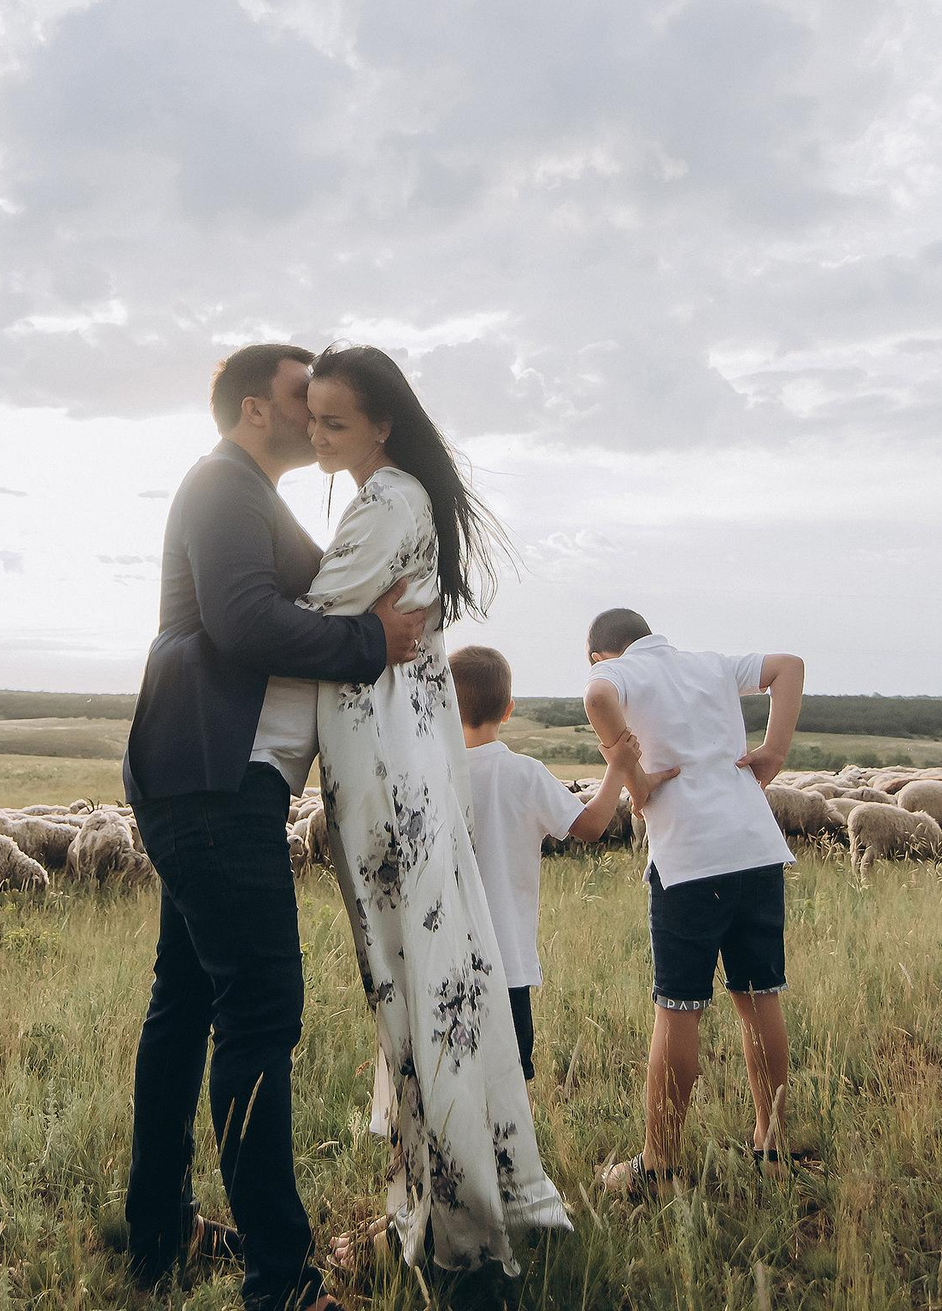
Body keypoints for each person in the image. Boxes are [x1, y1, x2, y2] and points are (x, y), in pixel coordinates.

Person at [120, 342, 427, 1311]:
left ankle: (159, 1231)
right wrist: (369, 641)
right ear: (257, 408)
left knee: (183, 1008)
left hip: (204, 776)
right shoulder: (220, 486)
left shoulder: (250, 493)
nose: (319, 406)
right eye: (306, 395)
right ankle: (281, 1282)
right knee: (257, 1014)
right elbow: (243, 620)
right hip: (214, 779)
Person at [293, 345, 572, 1274]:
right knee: (425, 971)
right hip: (400, 758)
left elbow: (306, 612)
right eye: (314, 418)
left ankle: (451, 1221)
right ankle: (436, 1196)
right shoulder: (402, 500)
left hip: (388, 767)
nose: (320, 435)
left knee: (414, 973)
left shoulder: (387, 502)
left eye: (337, 421)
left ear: (381, 422)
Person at [578, 607, 813, 1193]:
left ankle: (658, 1166)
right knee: (761, 1000)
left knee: (678, 1009)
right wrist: (774, 751)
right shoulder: (708, 665)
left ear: (601, 653)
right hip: (755, 848)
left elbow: (597, 699)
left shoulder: (623, 673)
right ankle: (773, 1147)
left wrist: (632, 778)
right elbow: (790, 666)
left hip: (688, 859)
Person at [447, 643, 672, 1081]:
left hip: (442, 956)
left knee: (451, 1079)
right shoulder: (524, 773)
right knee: (506, 1082)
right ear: (509, 709)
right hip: (505, 959)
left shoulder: (433, 773)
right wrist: (617, 767)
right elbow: (590, 826)